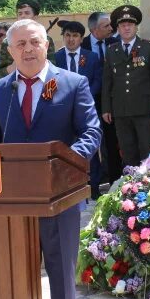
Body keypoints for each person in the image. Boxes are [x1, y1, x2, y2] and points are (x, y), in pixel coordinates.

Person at [0, 18, 101, 299]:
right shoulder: (2, 89)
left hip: (59, 196)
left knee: (61, 269)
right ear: (11, 50)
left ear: (46, 45)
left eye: (34, 42)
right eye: (20, 45)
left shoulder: (73, 83)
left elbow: (90, 132)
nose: (28, 50)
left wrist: (65, 165)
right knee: (16, 270)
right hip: (13, 199)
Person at [101, 5, 150, 168]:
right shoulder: (111, 50)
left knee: (147, 149)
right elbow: (107, 81)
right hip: (120, 110)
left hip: (143, 108)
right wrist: (106, 108)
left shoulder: (148, 47)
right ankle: (131, 186)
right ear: (118, 28)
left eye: (130, 24)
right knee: (127, 150)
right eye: (122, 25)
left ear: (136, 27)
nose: (126, 28)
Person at [54, 19, 103, 199]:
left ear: (81, 39)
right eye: (67, 35)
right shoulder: (56, 57)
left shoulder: (91, 57)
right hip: (63, 111)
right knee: (66, 147)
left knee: (89, 146)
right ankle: (68, 186)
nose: (71, 40)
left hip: (86, 109)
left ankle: (94, 186)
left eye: (75, 36)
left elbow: (98, 81)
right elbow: (51, 84)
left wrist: (83, 97)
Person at [81, 11, 121, 186]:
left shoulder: (115, 43)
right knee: (89, 142)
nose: (111, 28)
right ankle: (94, 184)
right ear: (94, 29)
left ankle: (114, 181)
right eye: (106, 26)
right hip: (88, 101)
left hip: (111, 102)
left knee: (111, 142)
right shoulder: (82, 46)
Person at [0, 0, 56, 74]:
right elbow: (0, 73)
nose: (23, 16)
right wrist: (13, 67)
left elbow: (52, 67)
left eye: (27, 13)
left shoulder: (45, 39)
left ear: (35, 17)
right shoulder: (8, 41)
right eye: (20, 13)